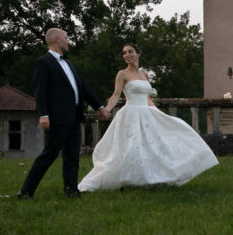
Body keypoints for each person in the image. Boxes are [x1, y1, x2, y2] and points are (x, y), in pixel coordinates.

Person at [78, 44, 217, 191]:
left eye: (130, 51)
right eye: (124, 53)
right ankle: (126, 179)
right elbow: (116, 95)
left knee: (155, 145)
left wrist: (158, 114)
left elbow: (148, 98)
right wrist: (107, 109)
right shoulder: (122, 74)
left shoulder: (144, 75)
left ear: (138, 54)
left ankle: (150, 179)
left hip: (146, 113)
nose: (127, 55)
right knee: (132, 148)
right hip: (131, 114)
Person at [18, 28, 110, 199]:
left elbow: (83, 87)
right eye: (66, 38)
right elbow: (40, 91)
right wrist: (43, 114)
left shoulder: (69, 63)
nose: (68, 41)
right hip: (57, 118)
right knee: (49, 154)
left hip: (74, 117)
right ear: (56, 40)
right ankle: (25, 192)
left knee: (72, 156)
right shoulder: (43, 62)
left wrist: (99, 107)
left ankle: (71, 190)